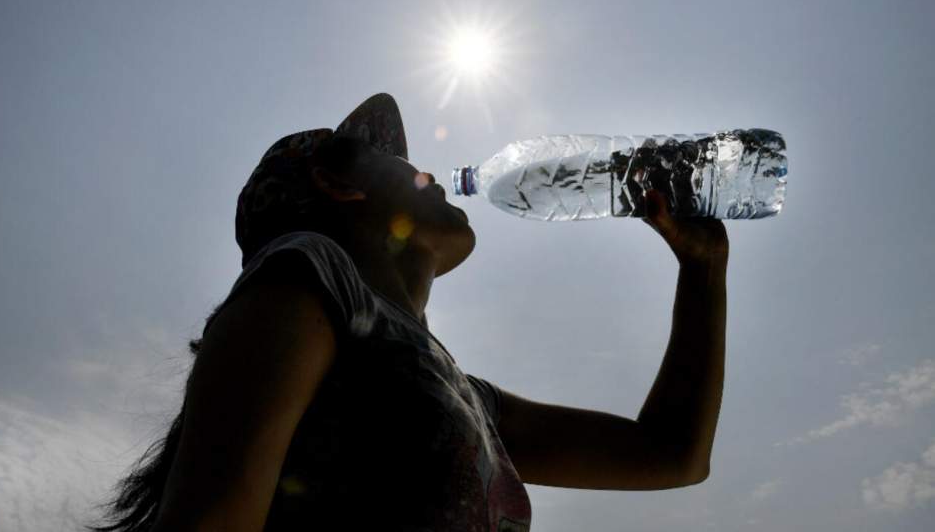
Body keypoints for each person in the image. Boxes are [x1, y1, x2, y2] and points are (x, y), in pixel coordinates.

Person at [90, 93, 728, 532]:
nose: (433, 176)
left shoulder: (463, 393)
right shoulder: (307, 275)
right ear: (340, 184)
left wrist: (702, 270)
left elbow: (671, 455)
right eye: (404, 165)